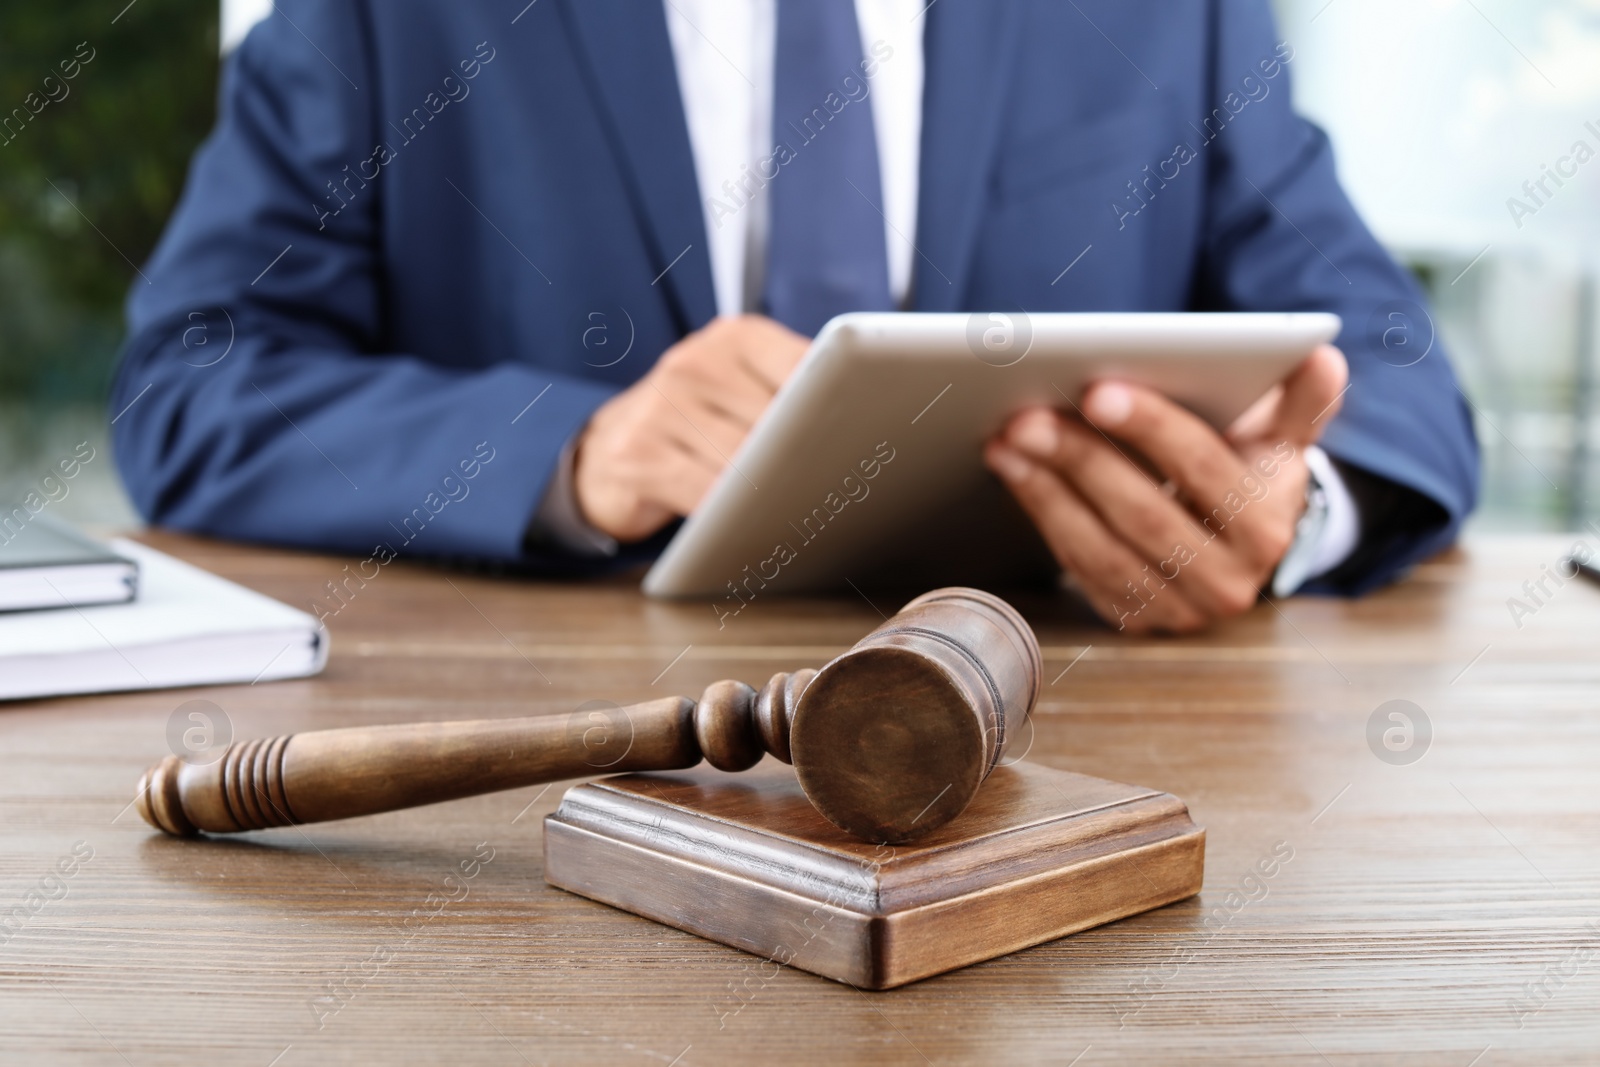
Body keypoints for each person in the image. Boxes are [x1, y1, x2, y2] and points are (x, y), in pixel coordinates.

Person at [111, 0, 1478, 633]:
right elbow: (193, 382)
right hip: (541, 807)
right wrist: (566, 452)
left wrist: (1289, 511)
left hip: (1087, 770)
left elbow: (1396, 366)